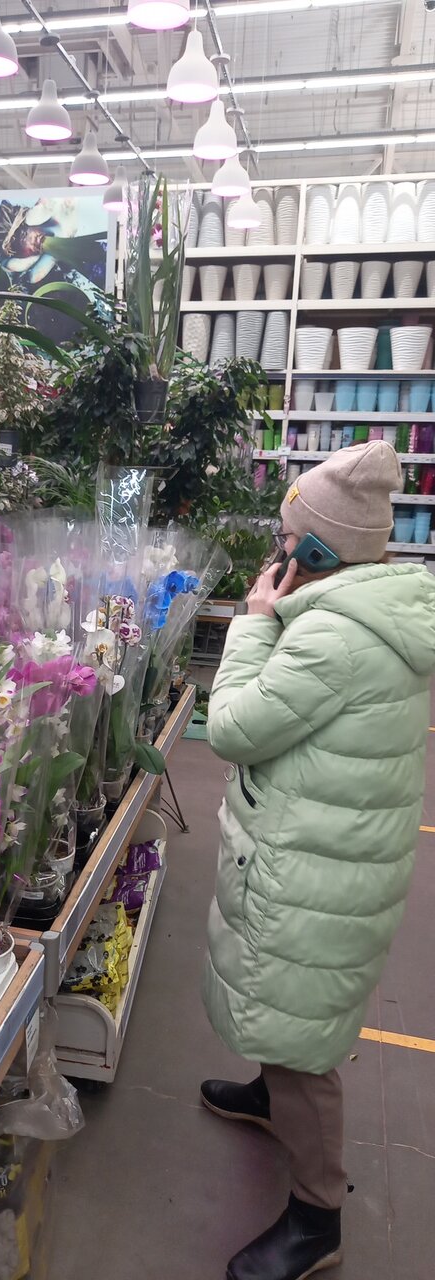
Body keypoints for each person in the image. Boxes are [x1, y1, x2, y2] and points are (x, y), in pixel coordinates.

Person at [201, 440, 435, 1280]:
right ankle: (273, 1096)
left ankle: (317, 1215)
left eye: (287, 537)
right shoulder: (373, 608)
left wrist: (254, 623)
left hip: (315, 873)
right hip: (329, 857)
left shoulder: (330, 638)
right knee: (287, 1011)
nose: (278, 548)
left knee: (303, 1043)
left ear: (317, 552)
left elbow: (232, 728)